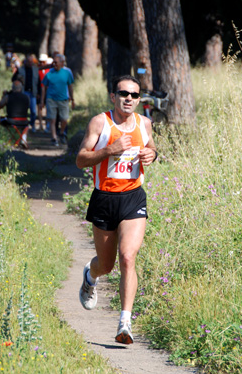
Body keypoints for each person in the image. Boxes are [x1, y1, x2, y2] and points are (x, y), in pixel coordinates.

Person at [76, 75, 157, 345]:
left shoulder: (144, 123)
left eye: (134, 95)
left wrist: (151, 155)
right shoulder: (101, 122)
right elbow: (80, 159)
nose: (129, 99)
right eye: (124, 93)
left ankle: (125, 322)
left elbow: (151, 148)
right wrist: (109, 149)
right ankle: (90, 275)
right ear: (113, 96)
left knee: (127, 257)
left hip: (133, 197)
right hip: (104, 199)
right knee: (107, 265)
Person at [40, 53, 75, 146]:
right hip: (51, 99)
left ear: (61, 63)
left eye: (56, 62)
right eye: (53, 62)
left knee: (64, 119)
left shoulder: (67, 73)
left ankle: (62, 133)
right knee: (52, 119)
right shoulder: (49, 74)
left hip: (63, 99)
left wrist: (72, 99)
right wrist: (42, 101)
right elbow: (44, 88)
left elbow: (70, 86)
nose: (54, 64)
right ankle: (54, 138)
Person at [0, 80, 30, 148]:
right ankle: (23, 139)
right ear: (21, 88)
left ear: (12, 88)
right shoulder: (27, 97)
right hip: (24, 121)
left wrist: (3, 96)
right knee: (26, 126)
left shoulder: (8, 97)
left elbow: (0, 106)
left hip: (10, 120)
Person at [22, 54, 39, 133]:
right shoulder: (21, 69)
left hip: (33, 93)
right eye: (29, 62)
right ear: (25, 62)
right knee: (24, 110)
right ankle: (24, 126)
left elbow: (38, 82)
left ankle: (32, 124)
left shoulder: (35, 70)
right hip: (24, 92)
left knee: (33, 111)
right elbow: (14, 79)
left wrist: (38, 93)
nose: (30, 63)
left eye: (32, 62)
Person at [37, 54, 52, 132]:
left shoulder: (50, 70)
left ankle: (47, 125)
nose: (42, 63)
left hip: (48, 91)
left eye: (43, 62)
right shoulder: (38, 69)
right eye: (41, 62)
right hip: (40, 90)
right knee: (39, 108)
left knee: (48, 109)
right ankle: (40, 125)